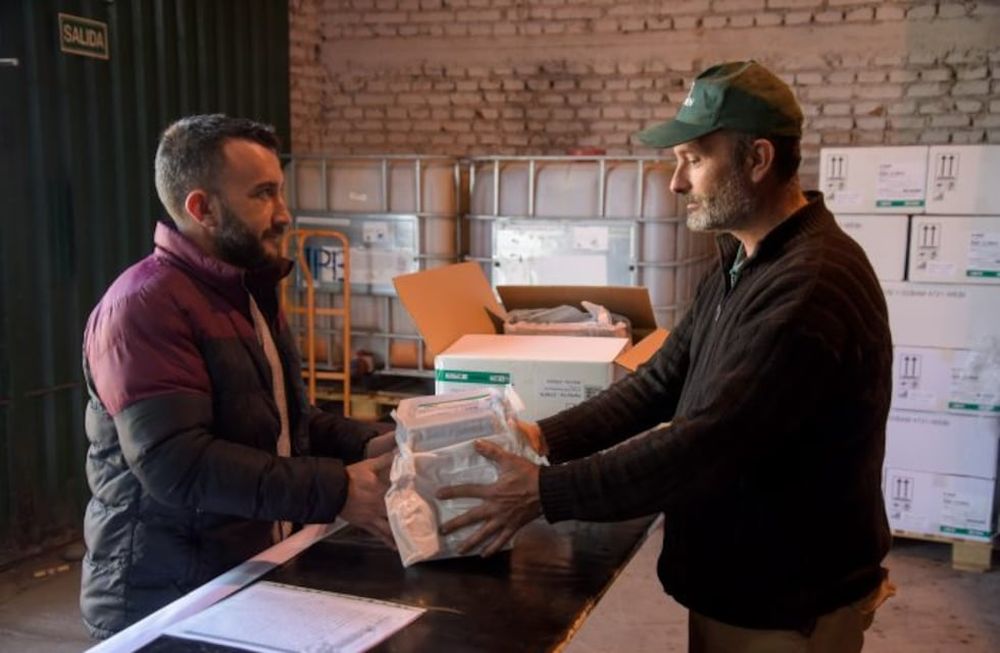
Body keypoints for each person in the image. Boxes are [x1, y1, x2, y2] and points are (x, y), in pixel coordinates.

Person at [438, 61, 896, 652]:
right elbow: (661, 380)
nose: (676, 183)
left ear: (757, 160)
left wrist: (543, 493)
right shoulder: (743, 258)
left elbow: (705, 444)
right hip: (741, 585)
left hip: (786, 603)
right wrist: (540, 438)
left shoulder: (808, 287)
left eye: (695, 160)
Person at [80, 114, 396, 638]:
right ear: (201, 208)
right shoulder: (143, 306)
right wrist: (336, 489)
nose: (284, 215)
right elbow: (176, 463)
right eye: (264, 195)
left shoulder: (244, 291)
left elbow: (283, 424)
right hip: (165, 602)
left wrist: (375, 445)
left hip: (240, 574)